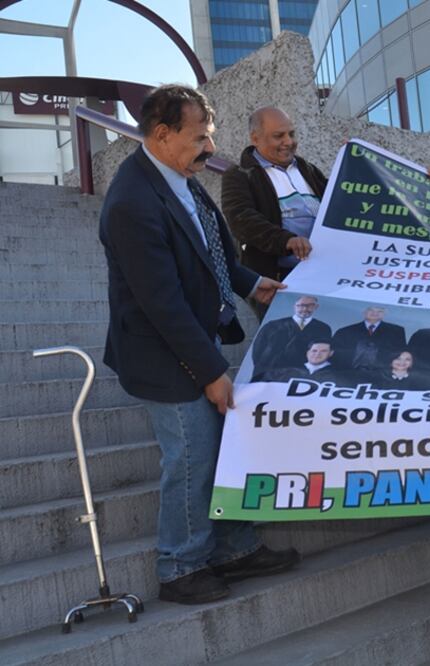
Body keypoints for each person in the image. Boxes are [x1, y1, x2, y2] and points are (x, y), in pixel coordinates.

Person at [98, 85, 299, 605]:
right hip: (160, 351)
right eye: (201, 138)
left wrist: (254, 283)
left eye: (211, 137)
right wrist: (212, 373)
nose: (210, 148)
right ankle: (180, 565)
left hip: (192, 338)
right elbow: (161, 304)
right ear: (162, 136)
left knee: (225, 445)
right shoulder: (131, 202)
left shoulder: (182, 176)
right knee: (192, 454)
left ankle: (234, 549)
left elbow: (211, 247)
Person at [221, 106, 327, 319]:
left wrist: (351, 164)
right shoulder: (239, 175)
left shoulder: (309, 170)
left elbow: (337, 204)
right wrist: (286, 241)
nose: (288, 141)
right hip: (279, 284)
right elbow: (241, 219)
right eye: (279, 136)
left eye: (292, 134)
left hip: (323, 277)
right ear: (255, 138)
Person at [249, 294, 332, 381]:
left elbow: (323, 353)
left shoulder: (323, 328)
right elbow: (258, 351)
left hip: (303, 376)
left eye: (310, 305)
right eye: (301, 305)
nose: (305, 309)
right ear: (294, 306)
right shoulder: (273, 326)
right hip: (271, 374)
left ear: (316, 307)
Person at [331, 305, 407, 377]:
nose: (375, 313)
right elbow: (335, 355)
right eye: (371, 310)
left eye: (380, 311)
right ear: (364, 312)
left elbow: (400, 353)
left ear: (384, 314)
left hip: (382, 376)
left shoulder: (396, 331)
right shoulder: (345, 331)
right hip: (347, 375)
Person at [262, 339, 340, 383]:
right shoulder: (283, 372)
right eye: (314, 351)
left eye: (323, 351)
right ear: (307, 352)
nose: (317, 354)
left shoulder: (339, 375)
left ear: (331, 353)